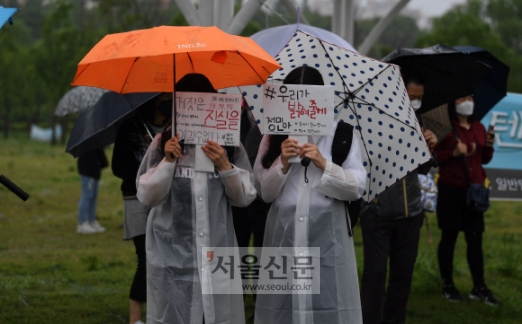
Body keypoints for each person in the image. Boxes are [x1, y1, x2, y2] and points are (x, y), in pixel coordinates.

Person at [136, 73, 257, 324]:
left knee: (215, 316)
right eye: (190, 104)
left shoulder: (229, 146)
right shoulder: (162, 144)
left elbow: (244, 197)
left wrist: (225, 166)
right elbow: (147, 196)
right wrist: (168, 162)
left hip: (216, 253)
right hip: (172, 256)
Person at [253, 66, 367, 324]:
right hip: (284, 237)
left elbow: (356, 187)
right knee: (283, 309)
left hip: (327, 241)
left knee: (328, 306)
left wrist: (324, 164)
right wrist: (281, 163)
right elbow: (264, 192)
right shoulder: (273, 136)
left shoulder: (342, 135)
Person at [359, 74, 438, 324]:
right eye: (411, 96)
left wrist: (429, 149)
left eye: (420, 99)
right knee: (375, 274)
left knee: (403, 275)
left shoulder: (420, 121)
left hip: (410, 212)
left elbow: (421, 169)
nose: (415, 102)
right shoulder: (373, 118)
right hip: (376, 211)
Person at [112, 93, 171, 324]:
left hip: (166, 198)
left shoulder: (175, 125)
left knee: (165, 257)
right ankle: (135, 318)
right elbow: (118, 167)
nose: (169, 98)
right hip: (136, 198)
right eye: (164, 95)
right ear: (153, 98)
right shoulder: (131, 126)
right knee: (145, 258)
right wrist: (146, 171)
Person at [434, 95, 497, 305]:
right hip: (451, 190)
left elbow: (484, 158)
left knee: (475, 239)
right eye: (462, 99)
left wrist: (488, 145)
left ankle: (479, 287)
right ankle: (448, 285)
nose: (467, 102)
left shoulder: (479, 127)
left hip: (474, 192)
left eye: (469, 98)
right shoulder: (446, 128)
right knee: (449, 238)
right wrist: (453, 152)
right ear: (453, 103)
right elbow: (435, 156)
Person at [76, 148, 108, 234]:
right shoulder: (86, 141)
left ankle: (91, 220)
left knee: (93, 196)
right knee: (87, 194)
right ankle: (82, 223)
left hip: (95, 170)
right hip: (87, 170)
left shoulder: (96, 141)